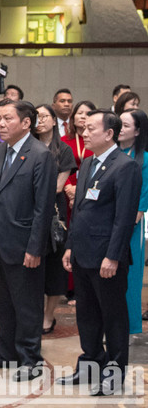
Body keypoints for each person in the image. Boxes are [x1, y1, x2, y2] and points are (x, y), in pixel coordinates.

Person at [59, 111, 141, 396]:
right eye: (83, 127)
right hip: (82, 253)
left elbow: (124, 216)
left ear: (109, 133)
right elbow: (79, 211)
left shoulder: (125, 166)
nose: (84, 131)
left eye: (91, 128)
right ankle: (90, 362)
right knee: (87, 315)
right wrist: (70, 245)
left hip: (107, 257)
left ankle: (115, 373)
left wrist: (114, 256)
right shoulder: (90, 162)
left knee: (113, 317)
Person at [0, 100, 56, 382]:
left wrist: (35, 247)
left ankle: (30, 359)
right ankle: (6, 353)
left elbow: (43, 207)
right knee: (4, 302)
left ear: (26, 123)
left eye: (7, 118)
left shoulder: (40, 155)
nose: (0, 123)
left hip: (25, 244)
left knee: (27, 305)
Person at [32, 104, 76, 334]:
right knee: (32, 268)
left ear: (53, 121)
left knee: (55, 271)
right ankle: (34, 314)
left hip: (54, 217)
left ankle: (48, 317)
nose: (40, 121)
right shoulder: (27, 147)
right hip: (28, 215)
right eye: (36, 117)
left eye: (44, 116)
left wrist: (31, 189)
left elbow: (59, 186)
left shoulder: (64, 150)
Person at [117, 109, 148, 333]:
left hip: (130, 228)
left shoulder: (144, 159)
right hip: (105, 226)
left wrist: (124, 229)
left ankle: (129, 327)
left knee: (130, 278)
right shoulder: (112, 154)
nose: (120, 128)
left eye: (126, 125)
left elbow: (141, 201)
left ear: (137, 131)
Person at [62, 101, 96, 219]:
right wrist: (68, 189)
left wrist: (80, 189)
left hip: (90, 189)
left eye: (87, 114)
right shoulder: (63, 140)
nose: (83, 116)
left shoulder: (97, 141)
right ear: (73, 117)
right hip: (66, 189)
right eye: (79, 113)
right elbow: (58, 166)